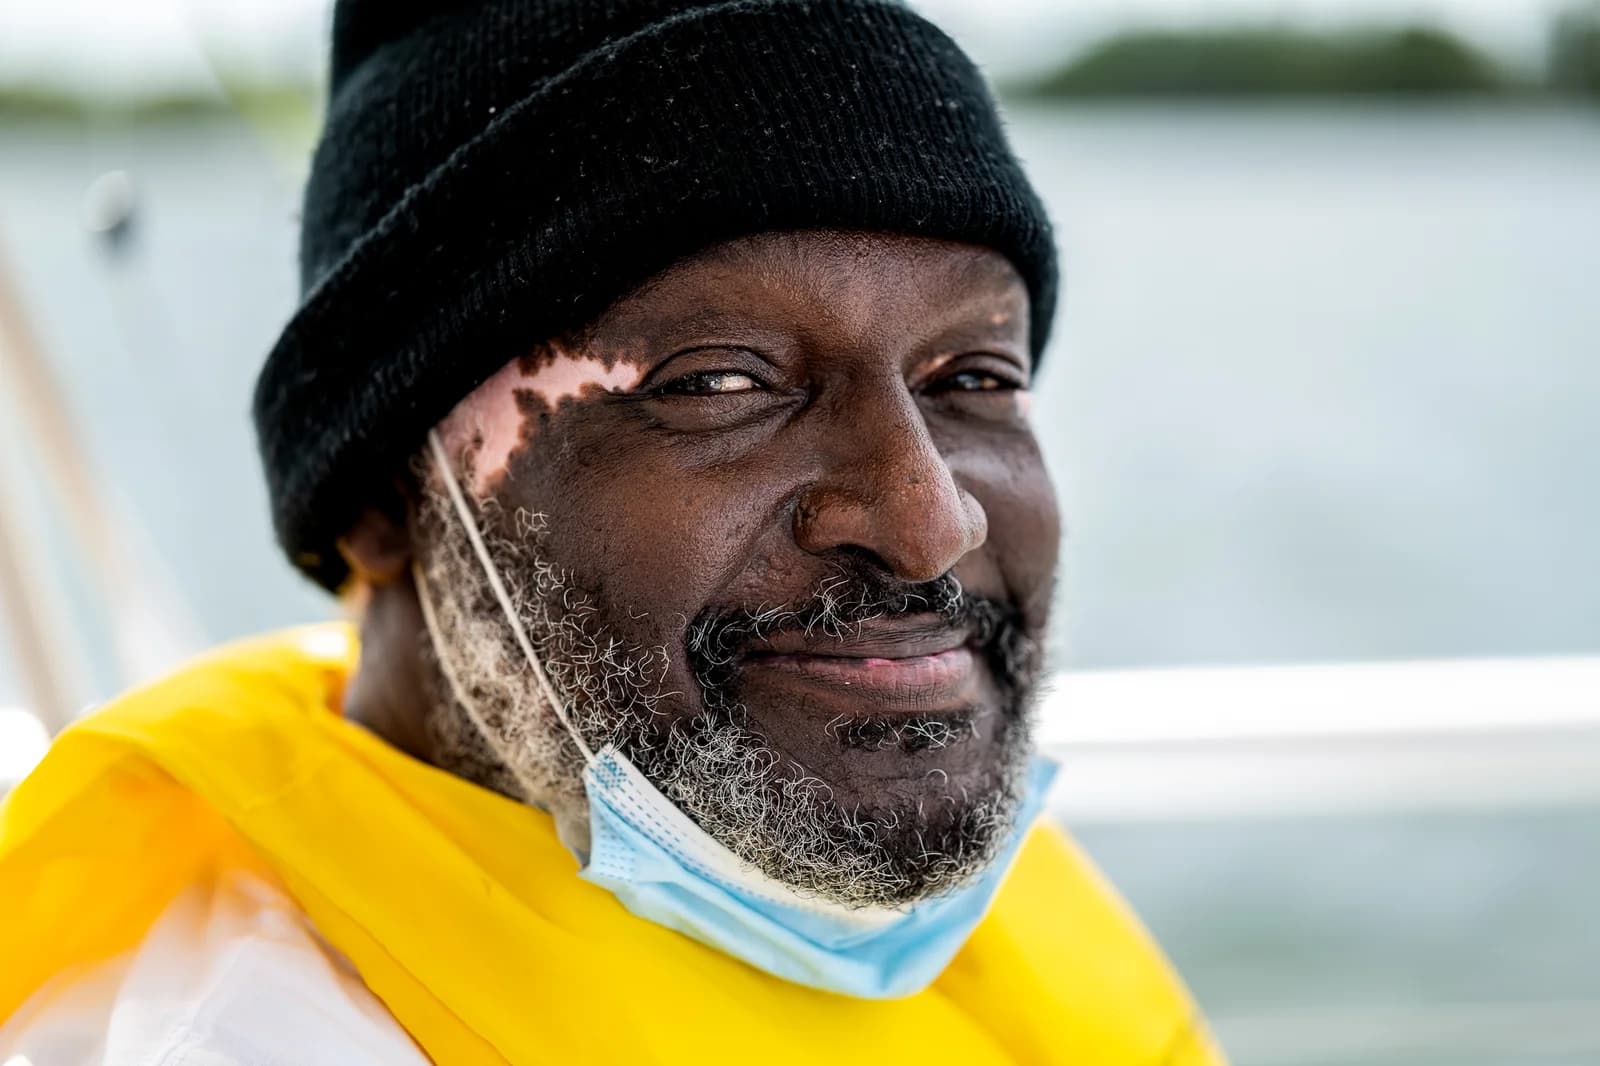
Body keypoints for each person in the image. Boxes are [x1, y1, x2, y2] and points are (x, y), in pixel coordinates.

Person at [0, 1, 1224, 1062]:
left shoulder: (980, 931)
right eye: (719, 381)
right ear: (382, 494)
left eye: (975, 378)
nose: (926, 521)